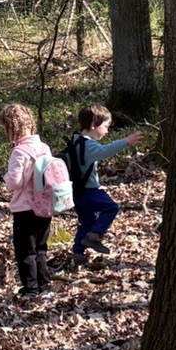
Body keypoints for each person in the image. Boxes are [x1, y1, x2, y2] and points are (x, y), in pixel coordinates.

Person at [63, 103, 142, 267]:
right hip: (89, 191)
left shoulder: (75, 140)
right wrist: (126, 142)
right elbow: (105, 151)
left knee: (86, 220)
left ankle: (77, 253)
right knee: (111, 208)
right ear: (93, 124)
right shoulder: (88, 145)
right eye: (105, 126)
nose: (107, 131)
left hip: (76, 192)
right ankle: (94, 236)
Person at [0, 103, 54, 300]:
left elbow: (15, 181)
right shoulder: (44, 148)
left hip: (24, 208)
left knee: (25, 250)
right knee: (41, 248)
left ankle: (30, 289)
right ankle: (44, 285)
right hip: (45, 206)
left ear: (11, 128)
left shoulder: (19, 152)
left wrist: (5, 178)